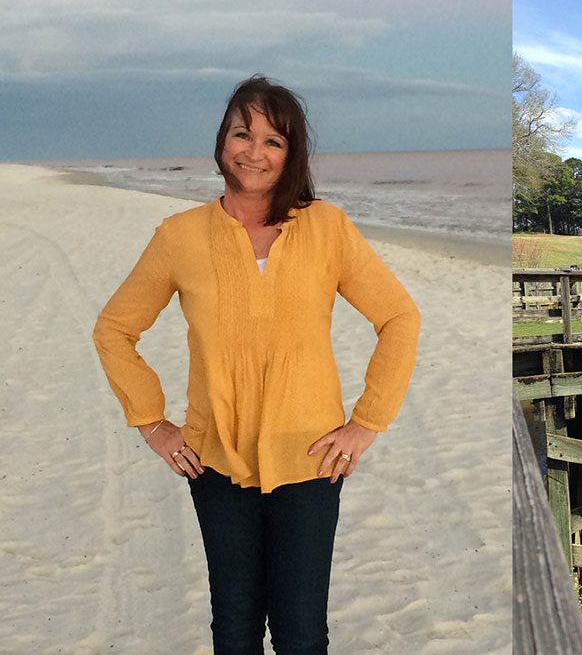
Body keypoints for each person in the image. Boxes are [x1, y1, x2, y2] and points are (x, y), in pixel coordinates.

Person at [93, 75, 420, 653]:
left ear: (292, 153)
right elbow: (115, 329)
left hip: (312, 461)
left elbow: (399, 317)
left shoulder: (327, 227)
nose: (255, 151)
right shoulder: (180, 235)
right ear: (222, 141)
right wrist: (153, 423)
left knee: (299, 631)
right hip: (214, 461)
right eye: (243, 133)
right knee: (236, 625)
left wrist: (367, 422)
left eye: (274, 141)